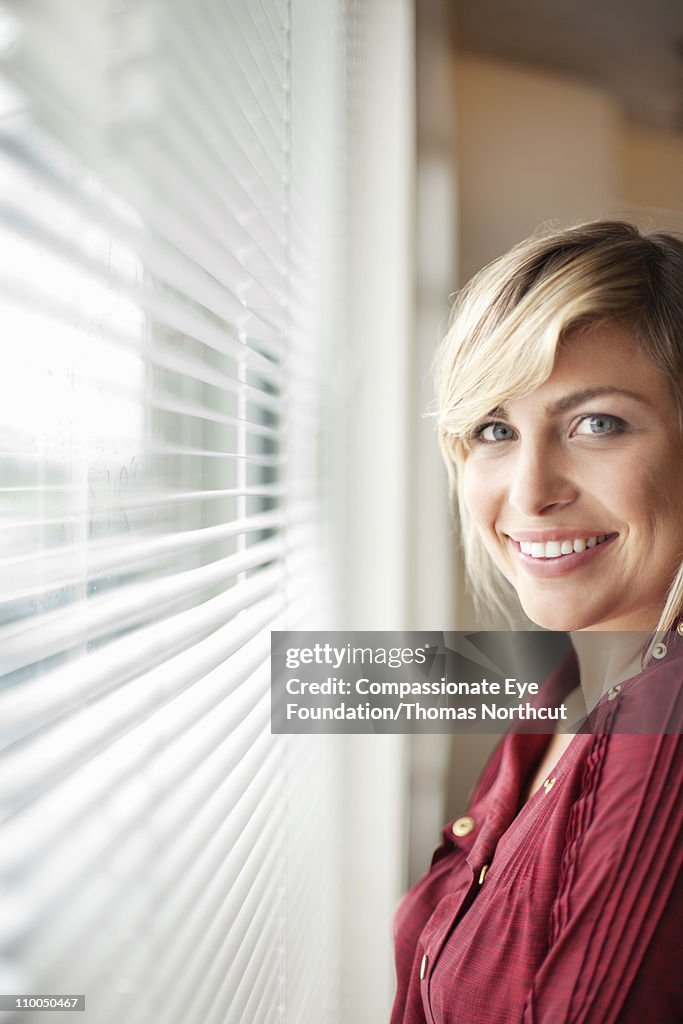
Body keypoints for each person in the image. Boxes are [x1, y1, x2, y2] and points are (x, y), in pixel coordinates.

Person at [391, 220, 683, 1023]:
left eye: (597, 423)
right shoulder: (562, 694)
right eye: (494, 429)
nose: (528, 491)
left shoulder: (665, 723)